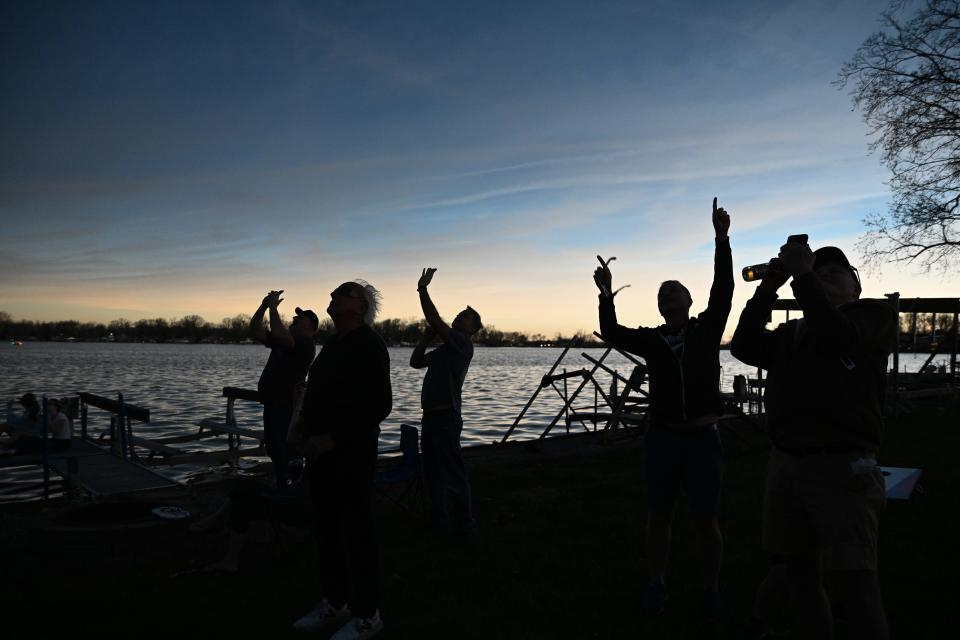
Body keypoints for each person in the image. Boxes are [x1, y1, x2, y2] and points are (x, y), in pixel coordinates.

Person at [731, 242, 895, 640]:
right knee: (800, 575)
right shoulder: (794, 332)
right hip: (787, 464)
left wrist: (804, 277)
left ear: (855, 284)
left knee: (855, 585)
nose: (822, 279)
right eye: (816, 274)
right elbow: (744, 346)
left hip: (843, 468)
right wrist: (769, 288)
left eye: (832, 274)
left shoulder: (874, 316)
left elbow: (838, 337)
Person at [593, 197, 733, 618]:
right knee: (659, 518)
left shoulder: (707, 328)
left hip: (704, 440)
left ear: (690, 300)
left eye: (674, 290)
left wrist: (721, 239)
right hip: (664, 440)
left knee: (707, 521)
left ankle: (710, 589)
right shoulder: (652, 340)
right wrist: (605, 294)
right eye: (661, 293)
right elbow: (611, 330)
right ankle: (656, 583)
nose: (666, 293)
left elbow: (724, 289)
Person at [292, 280, 392, 640]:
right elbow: (320, 391)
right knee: (328, 531)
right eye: (333, 292)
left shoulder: (370, 345)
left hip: (350, 454)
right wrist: (303, 424)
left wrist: (333, 437)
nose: (332, 296)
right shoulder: (333, 343)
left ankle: (368, 614)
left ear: (360, 306)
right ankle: (335, 601)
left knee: (357, 533)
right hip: (319, 454)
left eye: (343, 292)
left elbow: (379, 405)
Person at [410, 267, 482, 534]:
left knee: (453, 472)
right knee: (433, 474)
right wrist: (424, 340)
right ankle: (439, 519)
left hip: (446, 418)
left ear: (472, 330)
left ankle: (465, 523)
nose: (459, 317)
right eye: (460, 314)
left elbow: (433, 317)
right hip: (430, 418)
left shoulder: (463, 344)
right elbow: (416, 362)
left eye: (465, 317)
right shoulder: (444, 350)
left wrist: (423, 289)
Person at [250, 290, 318, 488]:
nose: (295, 317)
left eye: (301, 316)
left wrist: (272, 307)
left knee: (286, 449)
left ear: (311, 328)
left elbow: (280, 333)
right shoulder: (283, 341)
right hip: (272, 403)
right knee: (274, 448)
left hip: (286, 406)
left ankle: (292, 486)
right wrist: (263, 306)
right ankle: (284, 484)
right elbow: (254, 331)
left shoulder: (305, 343)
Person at [1, 395, 70, 455]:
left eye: (50, 404)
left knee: (37, 447)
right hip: (54, 440)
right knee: (34, 444)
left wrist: (47, 421)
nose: (48, 405)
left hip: (62, 443)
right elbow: (46, 430)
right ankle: (11, 448)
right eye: (47, 403)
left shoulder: (61, 417)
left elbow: (56, 432)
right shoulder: (50, 415)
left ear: (56, 407)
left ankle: (13, 450)